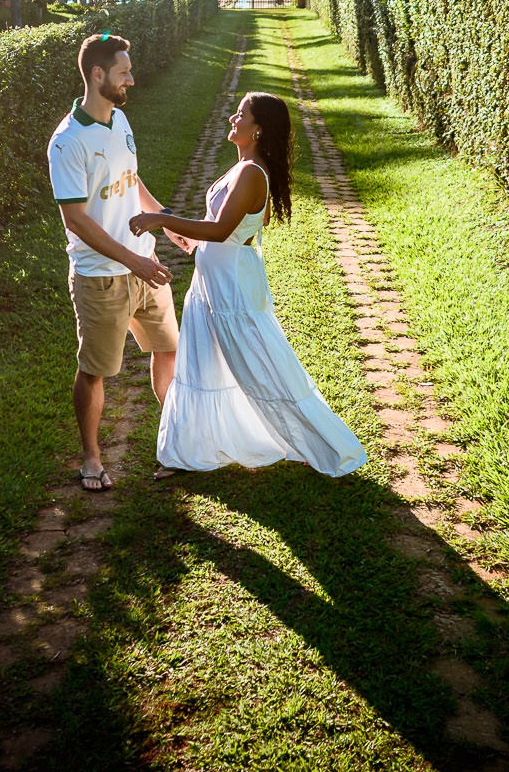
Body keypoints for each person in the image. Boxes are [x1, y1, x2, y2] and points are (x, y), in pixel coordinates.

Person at [128, 92, 366, 478]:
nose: (231, 120)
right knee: (200, 365)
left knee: (260, 366)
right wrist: (171, 221)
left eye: (240, 115)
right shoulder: (245, 169)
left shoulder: (252, 172)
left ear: (257, 129)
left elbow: (222, 229)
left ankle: (315, 442)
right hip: (214, 282)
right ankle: (184, 453)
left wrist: (160, 223)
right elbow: (251, 223)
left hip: (231, 289)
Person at [49, 33, 178, 492]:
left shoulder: (121, 119)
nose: (132, 79)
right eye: (124, 72)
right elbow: (77, 221)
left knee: (170, 349)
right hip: (101, 278)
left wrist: (164, 220)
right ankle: (91, 456)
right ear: (98, 75)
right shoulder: (66, 143)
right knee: (96, 370)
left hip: (144, 267)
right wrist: (131, 261)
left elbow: (131, 178)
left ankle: (176, 438)